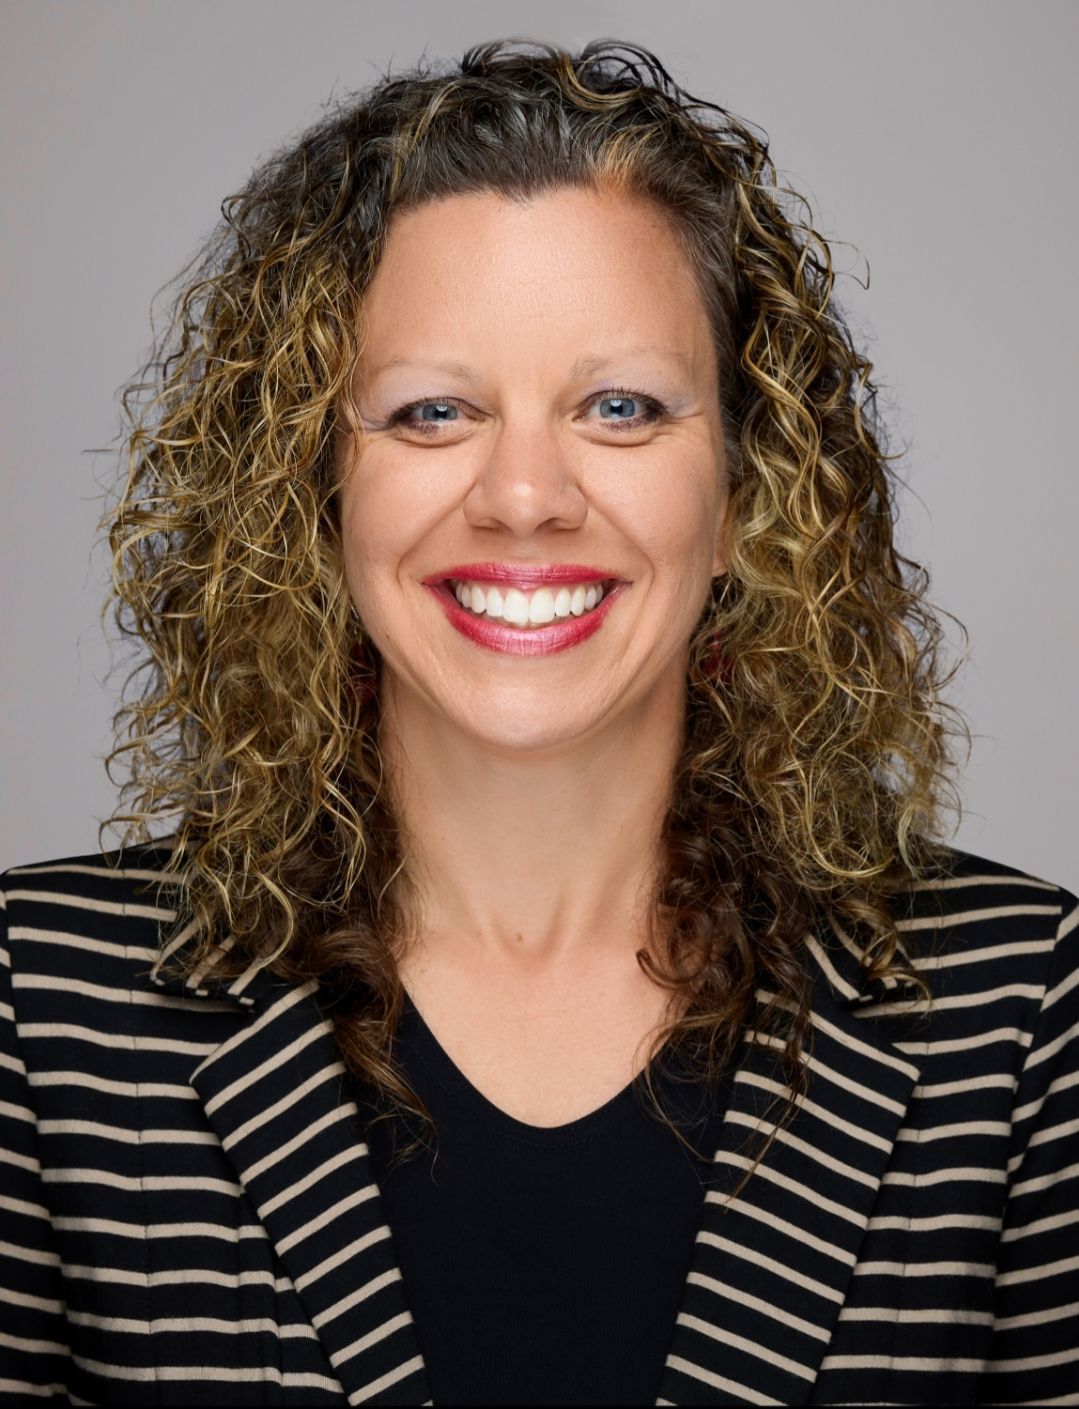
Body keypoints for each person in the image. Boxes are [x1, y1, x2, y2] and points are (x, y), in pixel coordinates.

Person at [1, 37, 1075, 1408]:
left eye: (619, 407)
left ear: (746, 487)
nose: (524, 495)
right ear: (312, 491)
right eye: (432, 411)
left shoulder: (1012, 1010)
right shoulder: (43, 1009)